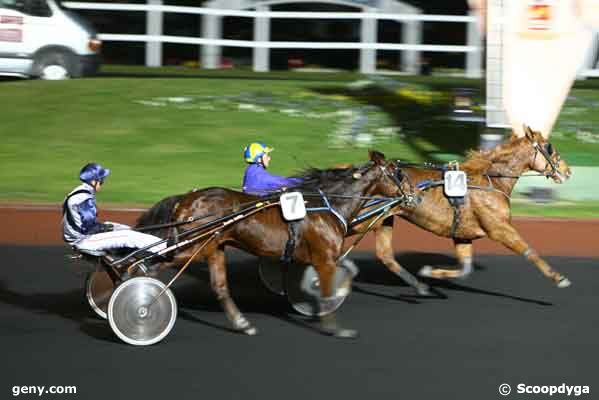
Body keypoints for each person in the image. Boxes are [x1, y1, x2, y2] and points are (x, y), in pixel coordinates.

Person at [62, 163, 167, 258]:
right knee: (129, 236)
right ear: (93, 181)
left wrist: (107, 227)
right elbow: (87, 227)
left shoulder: (80, 192)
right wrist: (104, 228)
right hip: (83, 240)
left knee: (128, 229)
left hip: (82, 236)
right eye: (101, 180)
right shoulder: (83, 198)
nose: (103, 182)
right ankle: (166, 248)